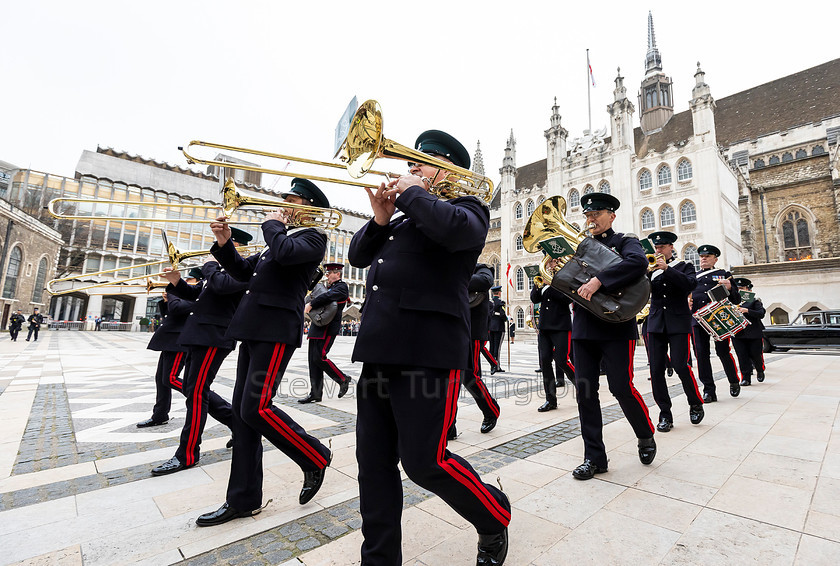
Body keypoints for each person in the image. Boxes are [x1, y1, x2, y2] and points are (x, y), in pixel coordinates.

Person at [349, 130, 511, 565]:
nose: (411, 167)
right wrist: (381, 218)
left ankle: (493, 515)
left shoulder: (467, 208)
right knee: (374, 463)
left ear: (449, 169)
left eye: (422, 161)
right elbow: (359, 257)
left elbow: (456, 233)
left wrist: (414, 196)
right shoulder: (403, 215)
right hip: (381, 348)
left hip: (428, 351)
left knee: (425, 462)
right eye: (411, 162)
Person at [196, 178, 333, 527]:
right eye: (283, 200)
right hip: (253, 327)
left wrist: (273, 224)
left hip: (275, 330)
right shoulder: (278, 242)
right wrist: (225, 244)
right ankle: (243, 499)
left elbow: (286, 254)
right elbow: (244, 272)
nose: (282, 205)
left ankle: (313, 455)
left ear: (309, 207)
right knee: (243, 416)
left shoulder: (312, 238)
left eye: (291, 200)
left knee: (257, 407)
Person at [570, 192, 656, 480]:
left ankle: (644, 433)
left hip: (616, 326)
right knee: (585, 394)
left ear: (611, 216)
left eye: (596, 214)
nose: (590, 219)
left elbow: (637, 264)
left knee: (621, 387)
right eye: (587, 215)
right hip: (583, 328)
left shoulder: (625, 241)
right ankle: (594, 458)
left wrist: (599, 280)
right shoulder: (579, 247)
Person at [151, 241, 250, 475]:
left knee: (195, 393)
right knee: (192, 388)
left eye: (227, 242)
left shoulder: (241, 269)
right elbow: (198, 295)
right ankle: (236, 425)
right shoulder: (219, 271)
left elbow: (221, 286)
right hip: (200, 334)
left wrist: (210, 265)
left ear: (238, 247)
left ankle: (187, 453)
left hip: (215, 335)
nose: (217, 246)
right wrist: (177, 281)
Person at [645, 231, 704, 432]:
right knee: (656, 370)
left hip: (678, 322)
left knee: (681, 365)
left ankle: (695, 402)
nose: (658, 250)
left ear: (671, 248)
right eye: (656, 247)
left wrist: (667, 269)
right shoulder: (651, 269)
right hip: (655, 323)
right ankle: (665, 414)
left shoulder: (684, 267)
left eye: (662, 247)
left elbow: (691, 284)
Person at [448, 263, 502, 439]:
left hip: (473, 331)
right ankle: (449, 427)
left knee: (470, 376)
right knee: (450, 379)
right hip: (452, 329)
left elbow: (485, 281)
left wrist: (454, 278)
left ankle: (491, 410)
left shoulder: (482, 268)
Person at [690, 244, 742, 402]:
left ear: (715, 259)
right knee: (701, 355)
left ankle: (733, 381)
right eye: (701, 256)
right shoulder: (693, 276)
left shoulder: (723, 274)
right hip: (698, 320)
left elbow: (736, 300)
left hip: (717, 319)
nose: (703, 258)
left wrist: (730, 289)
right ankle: (708, 390)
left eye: (707, 256)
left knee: (723, 351)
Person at [136, 287, 193, 429]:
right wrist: (166, 301)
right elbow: (169, 315)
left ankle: (202, 395)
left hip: (179, 341)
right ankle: (160, 414)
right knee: (161, 379)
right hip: (170, 340)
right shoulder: (182, 296)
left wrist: (173, 295)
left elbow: (177, 309)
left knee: (170, 378)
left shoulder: (194, 295)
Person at [300, 262, 351, 403]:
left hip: (328, 327)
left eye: (330, 273)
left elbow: (327, 297)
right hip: (318, 325)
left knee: (319, 357)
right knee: (312, 360)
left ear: (338, 274)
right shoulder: (326, 287)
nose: (327, 276)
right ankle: (315, 393)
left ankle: (342, 378)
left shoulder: (342, 287)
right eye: (327, 273)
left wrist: (311, 304)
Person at [530, 257, 575, 413]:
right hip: (545, 326)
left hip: (561, 325)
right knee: (545, 362)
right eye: (549, 262)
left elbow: (567, 298)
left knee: (562, 359)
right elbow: (535, 298)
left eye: (554, 262)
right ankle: (550, 400)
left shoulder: (566, 276)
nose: (551, 265)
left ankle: (580, 386)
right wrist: (538, 285)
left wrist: (552, 284)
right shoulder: (543, 278)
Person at [732, 277, 766, 386]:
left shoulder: (754, 301)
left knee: (755, 355)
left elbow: (761, 314)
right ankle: (745, 378)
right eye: (737, 289)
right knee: (742, 356)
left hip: (753, 333)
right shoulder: (731, 301)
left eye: (742, 288)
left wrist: (747, 310)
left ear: (747, 289)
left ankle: (760, 370)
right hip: (738, 333)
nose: (739, 291)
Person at [488, 286, 506, 374]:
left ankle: (492, 365)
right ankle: (496, 366)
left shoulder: (489, 303)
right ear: (499, 293)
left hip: (490, 327)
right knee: (497, 348)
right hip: (499, 327)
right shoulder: (501, 302)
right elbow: (502, 314)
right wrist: (506, 319)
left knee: (491, 347)